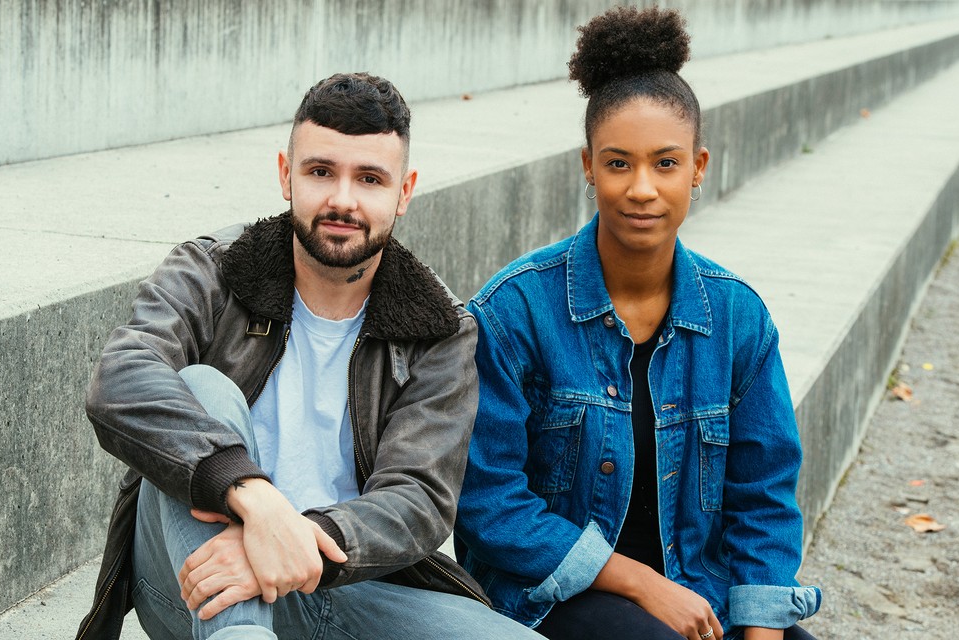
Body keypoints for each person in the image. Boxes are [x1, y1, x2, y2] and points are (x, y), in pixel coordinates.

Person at [75, 72, 541, 640]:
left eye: (370, 178)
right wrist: (254, 498)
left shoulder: (439, 329)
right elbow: (121, 378)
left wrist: (296, 542)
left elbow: (418, 498)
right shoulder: (213, 270)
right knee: (203, 386)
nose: (342, 199)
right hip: (187, 578)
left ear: (404, 192)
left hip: (339, 580)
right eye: (321, 171)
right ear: (285, 174)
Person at [454, 7, 821, 640]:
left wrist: (762, 629)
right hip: (550, 594)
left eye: (666, 163)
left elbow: (763, 494)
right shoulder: (515, 312)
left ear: (699, 168)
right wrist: (641, 582)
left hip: (698, 590)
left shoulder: (736, 318)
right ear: (588, 166)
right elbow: (490, 506)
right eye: (619, 163)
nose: (642, 188)